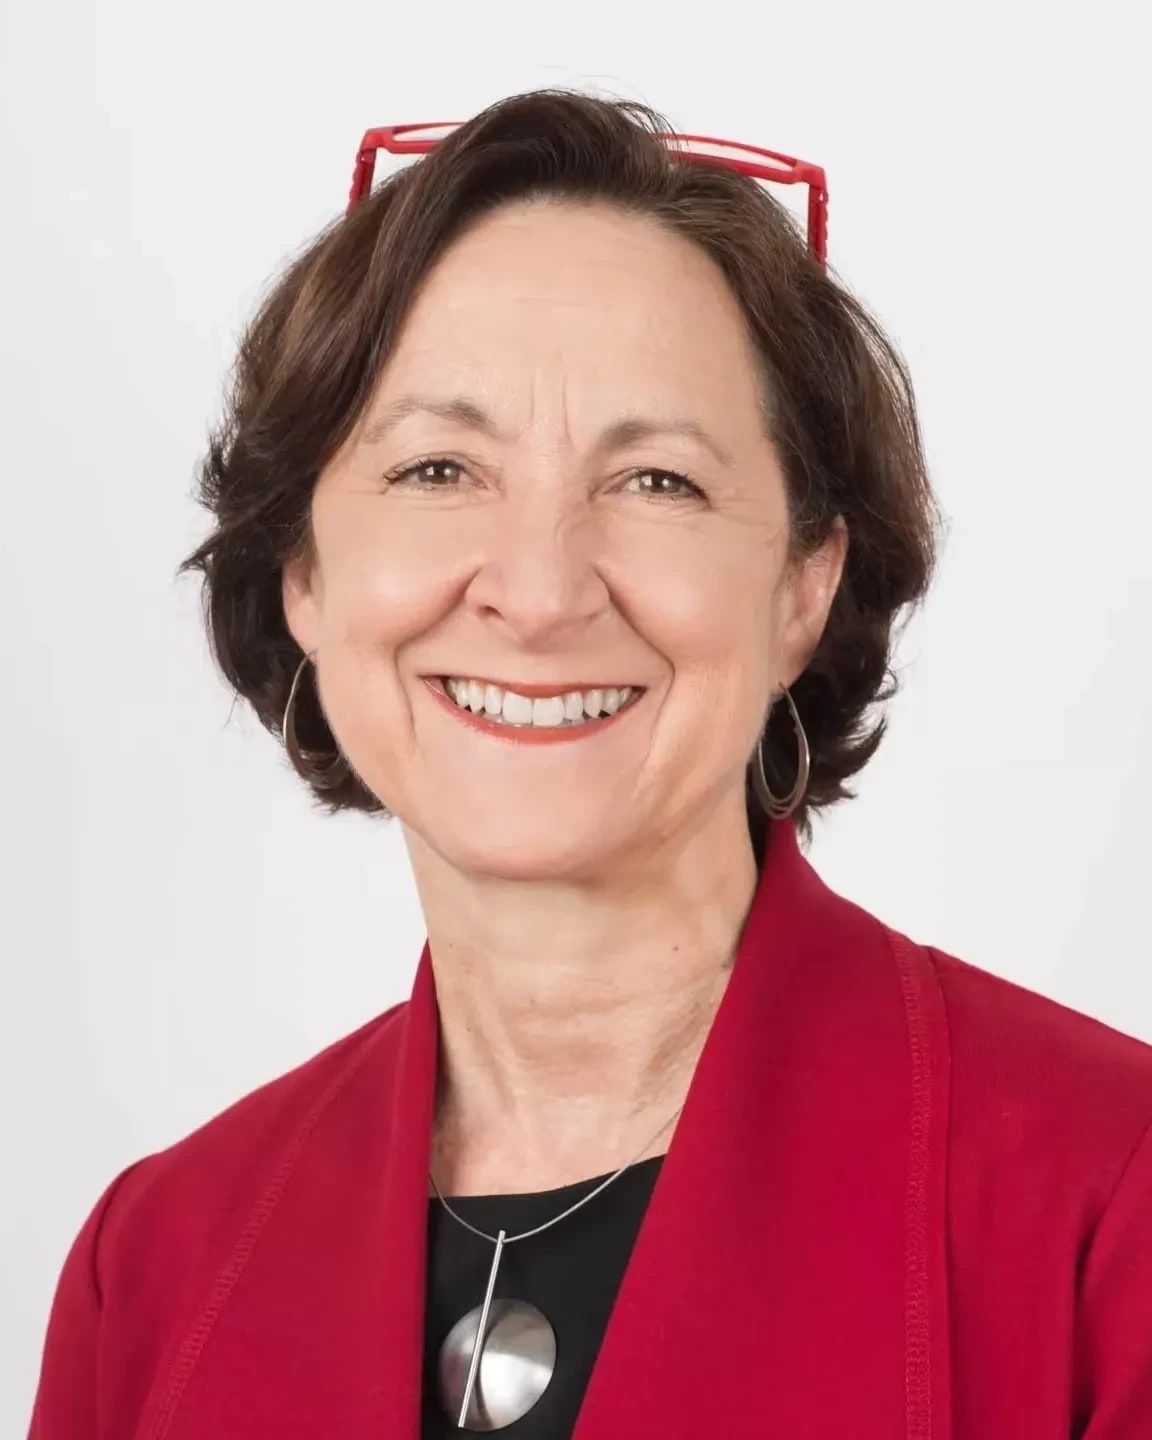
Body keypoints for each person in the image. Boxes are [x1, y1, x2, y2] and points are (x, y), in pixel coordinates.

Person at [28, 89, 1152, 1440]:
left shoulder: (1110, 1208)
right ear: (305, 576)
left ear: (805, 584)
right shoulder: (151, 1265)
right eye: (440, 469)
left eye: (658, 481)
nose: (541, 589)